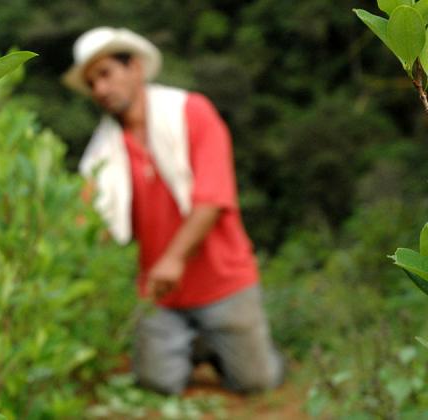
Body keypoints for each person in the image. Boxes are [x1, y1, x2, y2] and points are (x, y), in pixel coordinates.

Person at [63, 27, 284, 395]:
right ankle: (197, 345)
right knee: (157, 383)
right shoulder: (100, 156)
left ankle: (225, 346)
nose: (100, 90)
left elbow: (212, 198)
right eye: (91, 83)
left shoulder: (192, 112)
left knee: (256, 382)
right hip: (161, 296)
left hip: (223, 280)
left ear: (134, 67)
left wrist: (174, 258)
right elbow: (90, 221)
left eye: (105, 74)